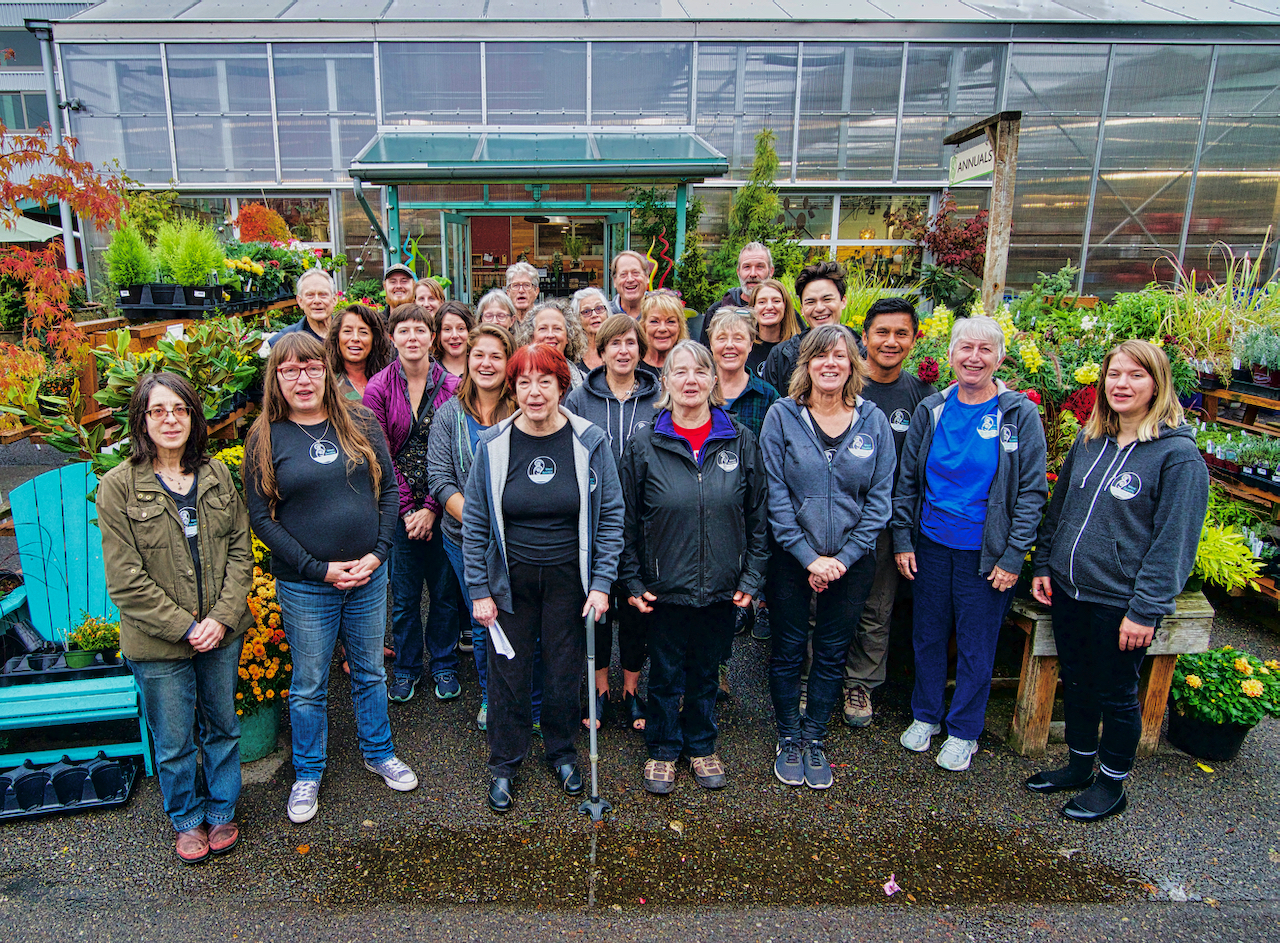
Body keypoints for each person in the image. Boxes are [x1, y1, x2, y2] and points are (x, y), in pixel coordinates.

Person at [1028, 340, 1208, 821]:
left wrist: (1144, 609)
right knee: (1080, 684)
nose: (1122, 385)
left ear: (1158, 384)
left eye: (1136, 376)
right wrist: (1045, 564)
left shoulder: (1177, 458)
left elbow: (1174, 542)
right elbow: (1060, 508)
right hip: (1070, 590)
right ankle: (1079, 767)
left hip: (1119, 602)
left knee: (1117, 694)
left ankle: (1112, 784)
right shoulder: (1091, 442)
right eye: (1114, 375)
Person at [244, 333, 418, 825]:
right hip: (305, 584)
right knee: (309, 683)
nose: (302, 379)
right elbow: (262, 518)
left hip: (367, 575)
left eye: (311, 367)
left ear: (327, 371)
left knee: (369, 671)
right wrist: (316, 568)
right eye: (289, 370)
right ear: (275, 377)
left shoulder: (359, 420)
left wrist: (379, 553)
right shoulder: (265, 434)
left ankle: (379, 752)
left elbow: (387, 493)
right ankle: (308, 772)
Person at [462, 344, 624, 815]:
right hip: (509, 584)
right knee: (508, 676)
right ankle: (505, 765)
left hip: (568, 582)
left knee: (562, 672)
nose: (535, 393)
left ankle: (562, 754)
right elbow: (475, 523)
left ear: (561, 387)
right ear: (512, 389)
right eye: (525, 383)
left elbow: (611, 515)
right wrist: (479, 589)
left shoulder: (589, 440)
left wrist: (601, 583)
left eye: (545, 382)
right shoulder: (492, 446)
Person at [98, 372, 253, 864]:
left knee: (223, 726)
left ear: (193, 417)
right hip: (160, 642)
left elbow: (239, 552)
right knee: (173, 739)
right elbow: (126, 581)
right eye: (158, 410)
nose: (170, 419)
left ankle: (222, 807)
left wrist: (222, 618)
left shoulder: (215, 476)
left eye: (180, 409)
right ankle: (186, 819)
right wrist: (187, 627)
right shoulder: (118, 487)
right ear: (142, 420)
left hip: (220, 632)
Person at [892, 316, 1048, 772]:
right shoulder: (932, 410)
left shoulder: (1018, 414)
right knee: (928, 634)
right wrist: (904, 539)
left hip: (988, 552)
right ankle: (926, 716)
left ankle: (964, 730)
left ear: (1000, 358)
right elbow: (906, 481)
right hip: (932, 543)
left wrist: (1013, 555)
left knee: (978, 643)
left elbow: (1032, 491)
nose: (974, 357)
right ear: (950, 356)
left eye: (985, 350)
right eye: (966, 348)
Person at [620, 340, 768, 793]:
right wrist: (631, 578)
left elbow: (759, 517)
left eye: (699, 372)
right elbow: (623, 518)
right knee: (664, 671)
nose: (690, 381)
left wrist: (752, 576)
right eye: (680, 372)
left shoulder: (740, 440)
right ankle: (664, 747)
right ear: (665, 382)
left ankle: (702, 744)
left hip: (723, 584)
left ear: (713, 381)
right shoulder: (645, 443)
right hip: (665, 584)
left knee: (706, 671)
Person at [760, 325, 895, 790]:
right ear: (807, 365)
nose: (830, 364)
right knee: (790, 648)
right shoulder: (782, 416)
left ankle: (815, 736)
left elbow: (880, 499)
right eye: (820, 357)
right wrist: (808, 557)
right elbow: (774, 495)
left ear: (853, 365)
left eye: (840, 356)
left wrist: (844, 556)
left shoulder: (873, 421)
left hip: (854, 560)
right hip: (791, 558)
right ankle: (788, 737)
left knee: (833, 651)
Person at [563, 314, 663, 731]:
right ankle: (600, 690)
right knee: (598, 610)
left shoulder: (659, 398)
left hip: (646, 524)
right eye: (614, 344)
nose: (623, 351)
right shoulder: (579, 400)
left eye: (630, 343)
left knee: (638, 609)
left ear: (640, 351)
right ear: (599, 352)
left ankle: (631, 689)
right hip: (594, 520)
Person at [363, 303, 463, 704]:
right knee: (403, 596)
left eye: (420, 331)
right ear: (392, 338)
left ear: (432, 337)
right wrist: (408, 509)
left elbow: (456, 450)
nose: (412, 338)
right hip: (398, 511)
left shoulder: (453, 385)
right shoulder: (378, 388)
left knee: (443, 592)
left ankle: (444, 663)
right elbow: (379, 454)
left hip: (443, 504)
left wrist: (433, 508)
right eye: (403, 331)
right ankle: (405, 667)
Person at [842, 297, 933, 728]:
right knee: (816, 602)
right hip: (835, 517)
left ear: (914, 340)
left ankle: (860, 683)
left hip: (886, 523)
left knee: (876, 606)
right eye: (882, 332)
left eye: (901, 333)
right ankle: (809, 678)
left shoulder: (924, 397)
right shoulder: (843, 383)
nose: (890, 341)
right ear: (865, 337)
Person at [428, 324, 519, 732]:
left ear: (508, 363)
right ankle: (491, 695)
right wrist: (483, 524)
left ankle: (525, 696)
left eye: (495, 356)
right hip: (463, 539)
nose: (486, 363)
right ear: (467, 360)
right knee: (485, 619)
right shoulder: (449, 413)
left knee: (522, 620)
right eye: (478, 354)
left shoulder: (522, 409)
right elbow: (441, 479)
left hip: (519, 540)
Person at [707, 306, 780, 650]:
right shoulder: (699, 392)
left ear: (752, 343)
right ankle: (716, 666)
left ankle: (756, 602)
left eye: (739, 337)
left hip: (753, 499)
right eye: (722, 337)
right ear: (710, 343)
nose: (730, 345)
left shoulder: (768, 397)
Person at [761, 261, 853, 394]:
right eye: (811, 302)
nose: (820, 308)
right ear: (802, 309)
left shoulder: (861, 352)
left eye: (827, 299)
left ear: (843, 301)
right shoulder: (781, 357)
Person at [325, 303, 393, 401]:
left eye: (363, 332)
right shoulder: (326, 383)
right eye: (347, 331)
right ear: (337, 337)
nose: (355, 338)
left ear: (374, 339)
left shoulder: (388, 381)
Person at [516, 301, 587, 388]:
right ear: (531, 336)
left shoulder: (585, 382)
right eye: (543, 328)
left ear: (569, 336)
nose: (550, 335)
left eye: (557, 328)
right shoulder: (517, 378)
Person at [703, 241, 774, 323]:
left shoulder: (782, 313)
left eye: (760, 267)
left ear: (771, 271)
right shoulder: (716, 312)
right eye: (747, 267)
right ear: (738, 272)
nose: (753, 274)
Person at [747, 278, 803, 378]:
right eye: (762, 302)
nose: (769, 307)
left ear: (785, 307)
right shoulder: (744, 348)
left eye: (776, 301)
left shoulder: (799, 349)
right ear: (753, 307)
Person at [271, 268, 336, 345]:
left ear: (334, 299)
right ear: (300, 301)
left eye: (323, 295)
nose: (317, 301)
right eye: (310, 295)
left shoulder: (349, 335)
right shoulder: (283, 340)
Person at [640, 291, 689, 373]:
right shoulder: (632, 364)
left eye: (670, 321)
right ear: (643, 325)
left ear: (680, 326)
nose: (662, 329)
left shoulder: (690, 364)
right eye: (654, 321)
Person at [433, 300, 476, 378]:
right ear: (438, 334)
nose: (455, 336)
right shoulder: (430, 371)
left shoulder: (479, 368)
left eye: (461, 328)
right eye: (447, 329)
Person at [572, 288, 611, 371]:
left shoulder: (618, 349)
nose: (594, 315)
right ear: (577, 319)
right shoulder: (572, 356)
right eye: (586, 311)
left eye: (599, 308)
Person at [610, 250, 648, 318]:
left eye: (635, 273)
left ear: (647, 277)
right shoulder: (605, 314)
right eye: (623, 274)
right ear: (615, 281)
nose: (630, 279)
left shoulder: (660, 311)